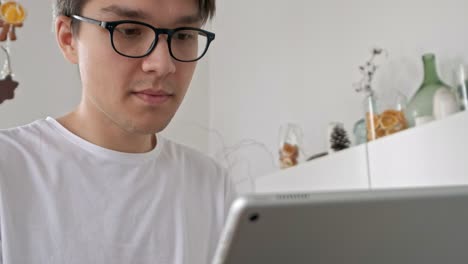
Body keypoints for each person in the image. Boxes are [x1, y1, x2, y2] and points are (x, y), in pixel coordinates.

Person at [0, 0, 236, 263]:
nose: (162, 64)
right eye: (129, 30)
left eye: (183, 35)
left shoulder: (211, 185)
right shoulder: (9, 168)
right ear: (69, 39)